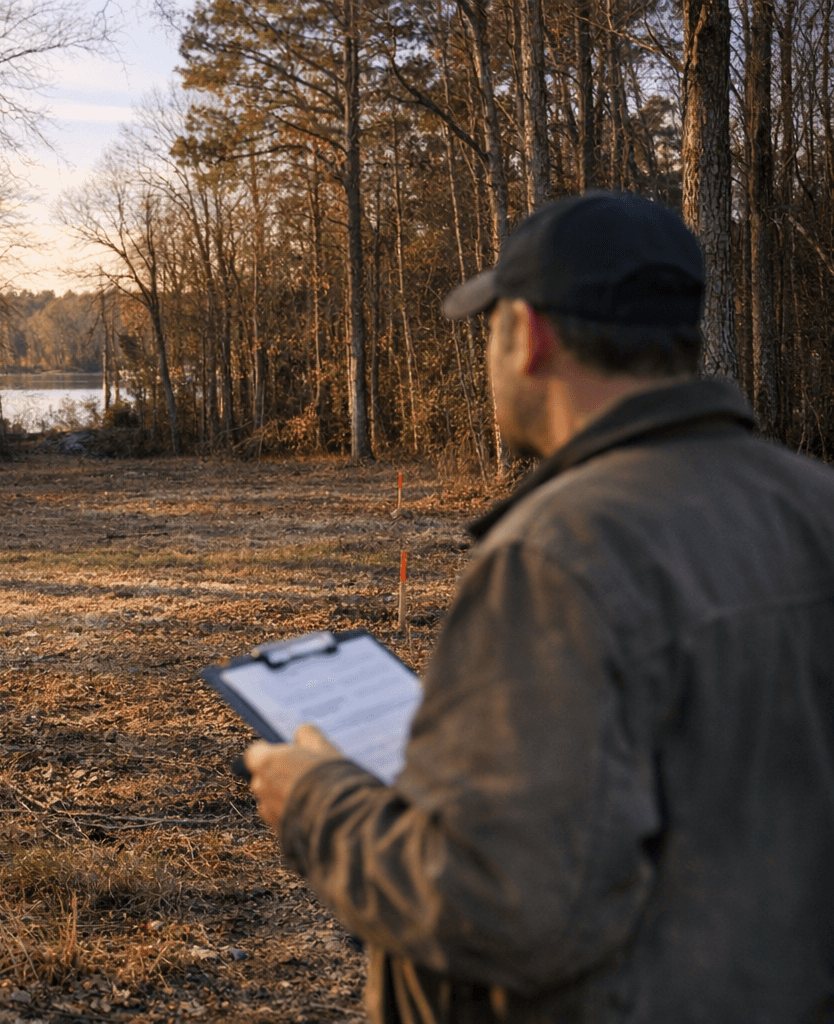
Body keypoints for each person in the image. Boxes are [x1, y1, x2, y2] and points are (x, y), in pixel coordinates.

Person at [244, 191, 834, 1023]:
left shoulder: (555, 554)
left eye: (490, 327)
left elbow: (498, 905)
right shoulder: (816, 505)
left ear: (530, 334)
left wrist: (316, 803)